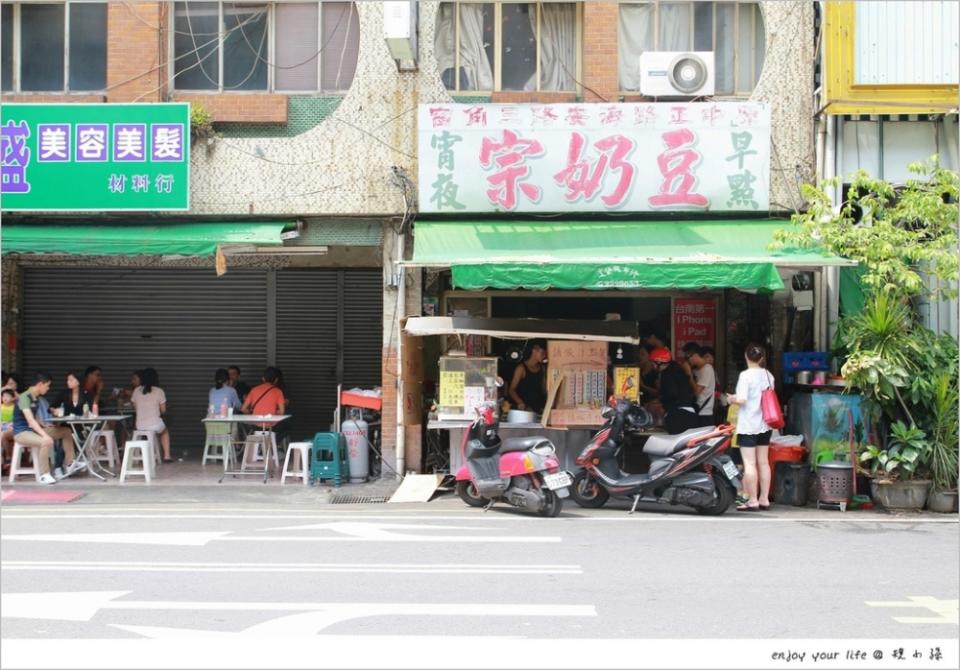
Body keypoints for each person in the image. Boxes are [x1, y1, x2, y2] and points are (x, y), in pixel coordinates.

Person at [726, 343, 775, 511]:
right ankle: (764, 499)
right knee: (763, 462)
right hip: (765, 424)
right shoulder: (769, 376)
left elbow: (742, 399)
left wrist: (731, 399)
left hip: (748, 426)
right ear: (762, 358)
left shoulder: (745, 376)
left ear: (746, 357)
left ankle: (752, 499)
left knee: (749, 463)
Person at [12, 372, 82, 485]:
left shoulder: (35, 397)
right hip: (22, 432)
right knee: (45, 441)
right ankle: (44, 475)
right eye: (47, 385)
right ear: (40, 384)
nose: (48, 388)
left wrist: (44, 425)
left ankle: (70, 463)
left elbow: (35, 416)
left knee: (66, 431)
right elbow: (30, 420)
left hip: (34, 430)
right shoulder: (24, 397)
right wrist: (44, 434)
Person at [650, 347, 699, 435]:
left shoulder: (667, 374)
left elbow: (671, 394)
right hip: (690, 413)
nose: (652, 366)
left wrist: (661, 400)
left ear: (659, 363)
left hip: (679, 415)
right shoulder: (677, 370)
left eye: (652, 363)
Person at [131, 367, 173, 463]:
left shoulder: (136, 390)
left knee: (156, 429)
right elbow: (163, 411)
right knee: (164, 430)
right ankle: (166, 456)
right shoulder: (159, 391)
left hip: (140, 426)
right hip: (154, 425)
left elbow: (135, 408)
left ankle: (149, 453)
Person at [682, 343, 716, 427]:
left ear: (695, 355)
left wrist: (689, 374)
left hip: (704, 413)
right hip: (697, 410)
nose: (687, 361)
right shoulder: (697, 370)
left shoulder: (707, 369)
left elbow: (697, 392)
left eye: (687, 357)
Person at [508, 342, 547, 414]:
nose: (544, 355)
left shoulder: (542, 368)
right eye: (542, 352)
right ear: (534, 350)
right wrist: (520, 402)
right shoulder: (521, 368)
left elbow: (544, 389)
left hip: (539, 409)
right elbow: (511, 389)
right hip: (525, 410)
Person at [1, 388, 16, 474]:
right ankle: (5, 459)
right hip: (2, 426)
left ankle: (7, 457)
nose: (4, 398)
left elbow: (16, 420)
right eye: (3, 396)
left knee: (3, 435)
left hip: (11, 427)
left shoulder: (14, 407)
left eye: (7, 396)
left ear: (13, 398)